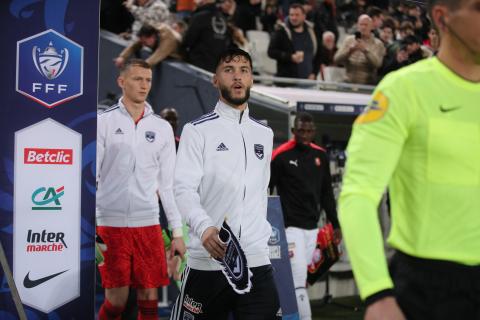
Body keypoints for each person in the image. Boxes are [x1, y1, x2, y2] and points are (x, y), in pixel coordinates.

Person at [338, 0, 480, 319]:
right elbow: (358, 195)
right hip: (428, 290)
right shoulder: (403, 90)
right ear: (443, 18)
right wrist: (377, 293)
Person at [171, 48, 280, 319]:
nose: (237, 77)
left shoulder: (264, 134)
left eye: (244, 70)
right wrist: (205, 228)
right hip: (208, 262)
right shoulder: (197, 130)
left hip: (256, 264)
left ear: (252, 79)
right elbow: (183, 188)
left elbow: (260, 192)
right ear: (215, 79)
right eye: (228, 70)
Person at [96, 59, 186, 320]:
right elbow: (92, 178)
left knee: (150, 298)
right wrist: (92, 225)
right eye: (138, 79)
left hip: (148, 224)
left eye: (148, 80)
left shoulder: (161, 129)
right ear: (121, 81)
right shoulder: (103, 122)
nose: (144, 85)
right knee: (116, 301)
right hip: (110, 225)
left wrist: (177, 233)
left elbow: (167, 186)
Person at [269, 112, 341, 320]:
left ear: (314, 132)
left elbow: (327, 193)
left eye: (309, 131)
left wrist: (335, 224)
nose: (305, 135)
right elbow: (266, 189)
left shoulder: (321, 156)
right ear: (293, 131)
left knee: (301, 282)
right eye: (301, 131)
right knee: (299, 281)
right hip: (289, 229)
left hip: (312, 228)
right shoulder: (280, 156)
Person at [268, 3, 321, 80]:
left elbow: (319, 55)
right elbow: (271, 52)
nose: (293, 18)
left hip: (309, 82)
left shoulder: (313, 31)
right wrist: (290, 57)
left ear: (304, 16)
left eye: (297, 15)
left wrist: (314, 73)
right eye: (291, 15)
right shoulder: (281, 31)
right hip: (287, 82)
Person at [334, 14, 385, 84]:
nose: (363, 27)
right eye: (361, 24)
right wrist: (349, 51)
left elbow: (377, 64)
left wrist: (365, 50)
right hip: (347, 81)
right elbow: (336, 59)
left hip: (367, 83)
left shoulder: (378, 44)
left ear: (371, 27)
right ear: (357, 26)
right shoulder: (349, 40)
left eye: (366, 25)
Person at [113, 23, 185, 69]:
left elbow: (154, 58)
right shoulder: (152, 31)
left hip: (180, 59)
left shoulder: (168, 41)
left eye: (145, 42)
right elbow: (136, 44)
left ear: (152, 37)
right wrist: (122, 57)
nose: (143, 45)